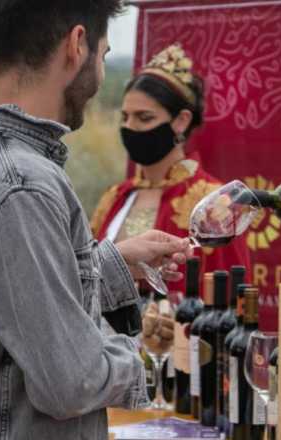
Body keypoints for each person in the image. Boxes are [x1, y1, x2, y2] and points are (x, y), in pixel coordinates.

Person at [0, 1, 189, 438]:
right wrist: (143, 360)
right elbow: (70, 383)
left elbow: (3, 306)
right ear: (76, 45)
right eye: (103, 56)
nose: (101, 76)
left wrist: (112, 267)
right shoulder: (23, 186)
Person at [91, 44, 251, 290]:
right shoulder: (114, 197)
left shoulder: (214, 202)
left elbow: (231, 291)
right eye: (125, 117)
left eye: (144, 118)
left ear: (181, 121)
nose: (130, 127)